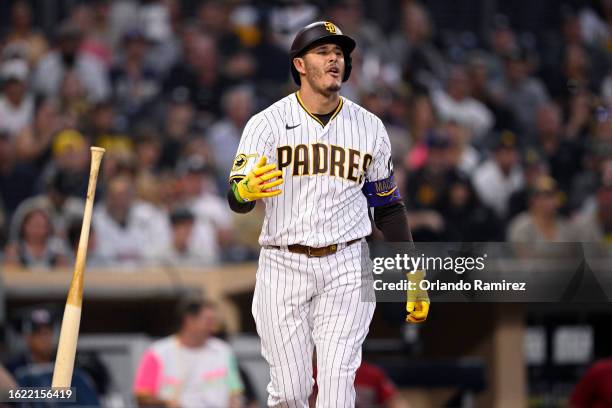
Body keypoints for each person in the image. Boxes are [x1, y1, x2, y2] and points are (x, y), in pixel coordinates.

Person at [227, 21, 428, 407]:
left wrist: (413, 274)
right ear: (300, 65)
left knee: (337, 387)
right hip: (283, 263)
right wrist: (244, 190)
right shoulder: (266, 124)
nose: (335, 58)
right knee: (290, 392)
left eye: (339, 53)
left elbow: (387, 207)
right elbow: (236, 195)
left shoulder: (369, 127)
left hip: (347, 263)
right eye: (323, 52)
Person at [133, 299, 244, 408]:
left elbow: (235, 393)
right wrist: (166, 403)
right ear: (189, 320)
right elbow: (142, 397)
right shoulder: (158, 353)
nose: (213, 328)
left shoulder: (223, 351)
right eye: (208, 322)